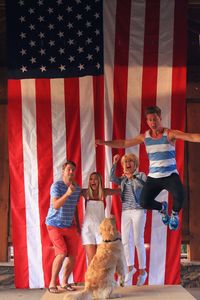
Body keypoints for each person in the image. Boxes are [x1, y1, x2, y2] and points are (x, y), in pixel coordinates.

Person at [96, 106, 200, 231]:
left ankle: (174, 214)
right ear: (147, 121)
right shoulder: (144, 137)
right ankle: (162, 207)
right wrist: (105, 143)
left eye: (155, 119)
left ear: (160, 118)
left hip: (170, 175)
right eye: (150, 120)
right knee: (143, 202)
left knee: (180, 195)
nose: (153, 123)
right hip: (154, 177)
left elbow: (193, 137)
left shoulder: (170, 134)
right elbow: (124, 143)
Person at [110, 153, 147, 286]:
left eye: (130, 161)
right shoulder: (123, 179)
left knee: (138, 240)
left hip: (139, 210)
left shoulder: (141, 175)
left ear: (135, 163)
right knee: (125, 241)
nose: (128, 164)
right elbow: (112, 178)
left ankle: (143, 272)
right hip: (126, 211)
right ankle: (130, 268)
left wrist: (132, 177)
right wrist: (115, 163)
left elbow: (143, 185)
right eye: (125, 162)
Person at [45, 161, 81, 294]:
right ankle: (52, 283)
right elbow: (55, 205)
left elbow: (75, 207)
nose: (71, 172)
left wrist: (77, 224)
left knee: (73, 255)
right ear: (63, 171)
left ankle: (64, 282)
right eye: (69, 169)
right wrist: (67, 193)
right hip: (54, 224)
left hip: (69, 225)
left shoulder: (76, 188)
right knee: (61, 253)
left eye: (73, 170)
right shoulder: (56, 186)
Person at [81, 172, 120, 265]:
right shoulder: (85, 192)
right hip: (87, 229)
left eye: (95, 179)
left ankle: (101, 279)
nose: (93, 181)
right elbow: (72, 192)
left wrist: (123, 179)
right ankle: (91, 280)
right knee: (91, 261)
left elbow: (119, 191)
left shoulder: (104, 192)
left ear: (99, 181)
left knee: (101, 259)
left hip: (101, 230)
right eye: (91, 179)